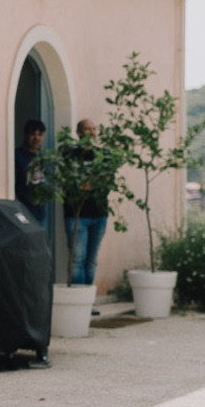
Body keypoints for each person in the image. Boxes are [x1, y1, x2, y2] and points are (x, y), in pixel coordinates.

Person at [66, 116, 111, 291]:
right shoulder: (69, 155)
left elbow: (106, 182)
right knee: (77, 259)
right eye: (87, 129)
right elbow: (70, 182)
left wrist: (89, 184)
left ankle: (88, 303)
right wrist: (93, 182)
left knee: (92, 259)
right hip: (76, 215)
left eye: (94, 129)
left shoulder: (103, 155)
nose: (92, 132)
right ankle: (79, 300)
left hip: (99, 214)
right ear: (78, 133)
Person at [14, 118, 48, 226]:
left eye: (40, 134)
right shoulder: (16, 155)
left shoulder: (44, 157)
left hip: (40, 212)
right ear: (26, 134)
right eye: (33, 134)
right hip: (23, 212)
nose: (36, 138)